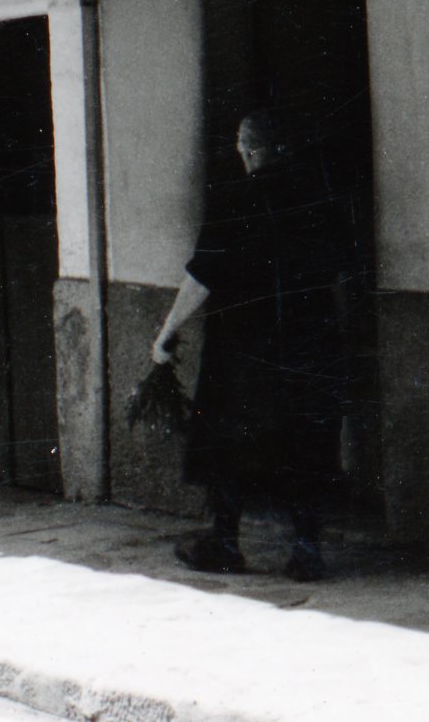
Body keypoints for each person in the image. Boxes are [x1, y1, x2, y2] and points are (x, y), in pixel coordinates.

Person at [152, 112, 356, 581]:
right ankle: (306, 551)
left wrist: (166, 332)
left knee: (229, 441)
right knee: (308, 442)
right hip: (310, 343)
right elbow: (342, 273)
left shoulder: (234, 199)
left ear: (246, 149)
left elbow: (201, 278)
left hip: (244, 348)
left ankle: (225, 543)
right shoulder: (318, 198)